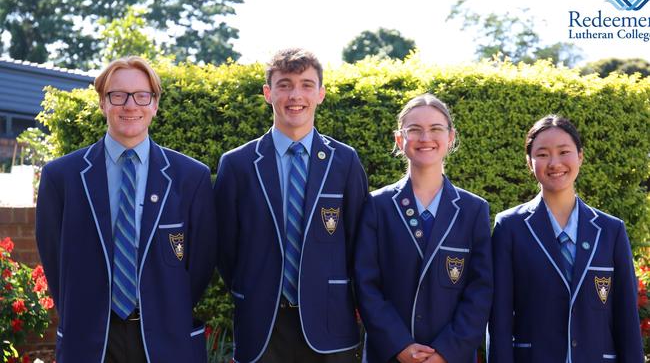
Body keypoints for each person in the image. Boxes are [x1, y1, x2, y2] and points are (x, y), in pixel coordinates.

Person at [35, 56, 217, 363]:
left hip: (165, 338)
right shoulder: (61, 178)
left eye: (141, 95)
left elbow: (201, 263)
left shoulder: (190, 177)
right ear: (103, 103)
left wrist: (168, 305)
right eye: (117, 95)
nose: (130, 105)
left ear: (155, 104)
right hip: (89, 339)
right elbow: (54, 258)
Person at [212, 48, 368, 363]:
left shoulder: (344, 161)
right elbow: (225, 249)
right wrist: (252, 285)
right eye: (284, 84)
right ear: (268, 93)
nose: (295, 95)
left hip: (329, 323)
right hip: (262, 324)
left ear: (321, 94)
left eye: (306, 84)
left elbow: (359, 244)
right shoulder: (238, 164)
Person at [488, 115, 644, 362]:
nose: (554, 162)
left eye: (564, 152)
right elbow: (500, 318)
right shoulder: (510, 227)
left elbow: (626, 318)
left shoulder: (610, 230)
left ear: (580, 156)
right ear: (529, 162)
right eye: (542, 154)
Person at [354, 93, 493, 363]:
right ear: (399, 139)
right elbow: (365, 285)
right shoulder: (377, 206)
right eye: (414, 130)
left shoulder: (473, 209)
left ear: (451, 137)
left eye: (436, 129)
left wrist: (446, 351)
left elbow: (481, 290)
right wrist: (400, 346)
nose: (425, 137)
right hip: (389, 355)